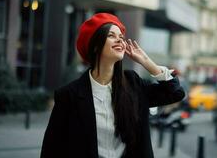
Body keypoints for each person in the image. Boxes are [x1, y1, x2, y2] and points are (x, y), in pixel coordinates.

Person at [40, 13, 185, 158]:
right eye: (111, 36)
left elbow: (175, 93)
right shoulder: (69, 95)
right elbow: (51, 149)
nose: (120, 41)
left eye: (121, 37)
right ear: (95, 45)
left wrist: (146, 61)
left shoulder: (133, 84)